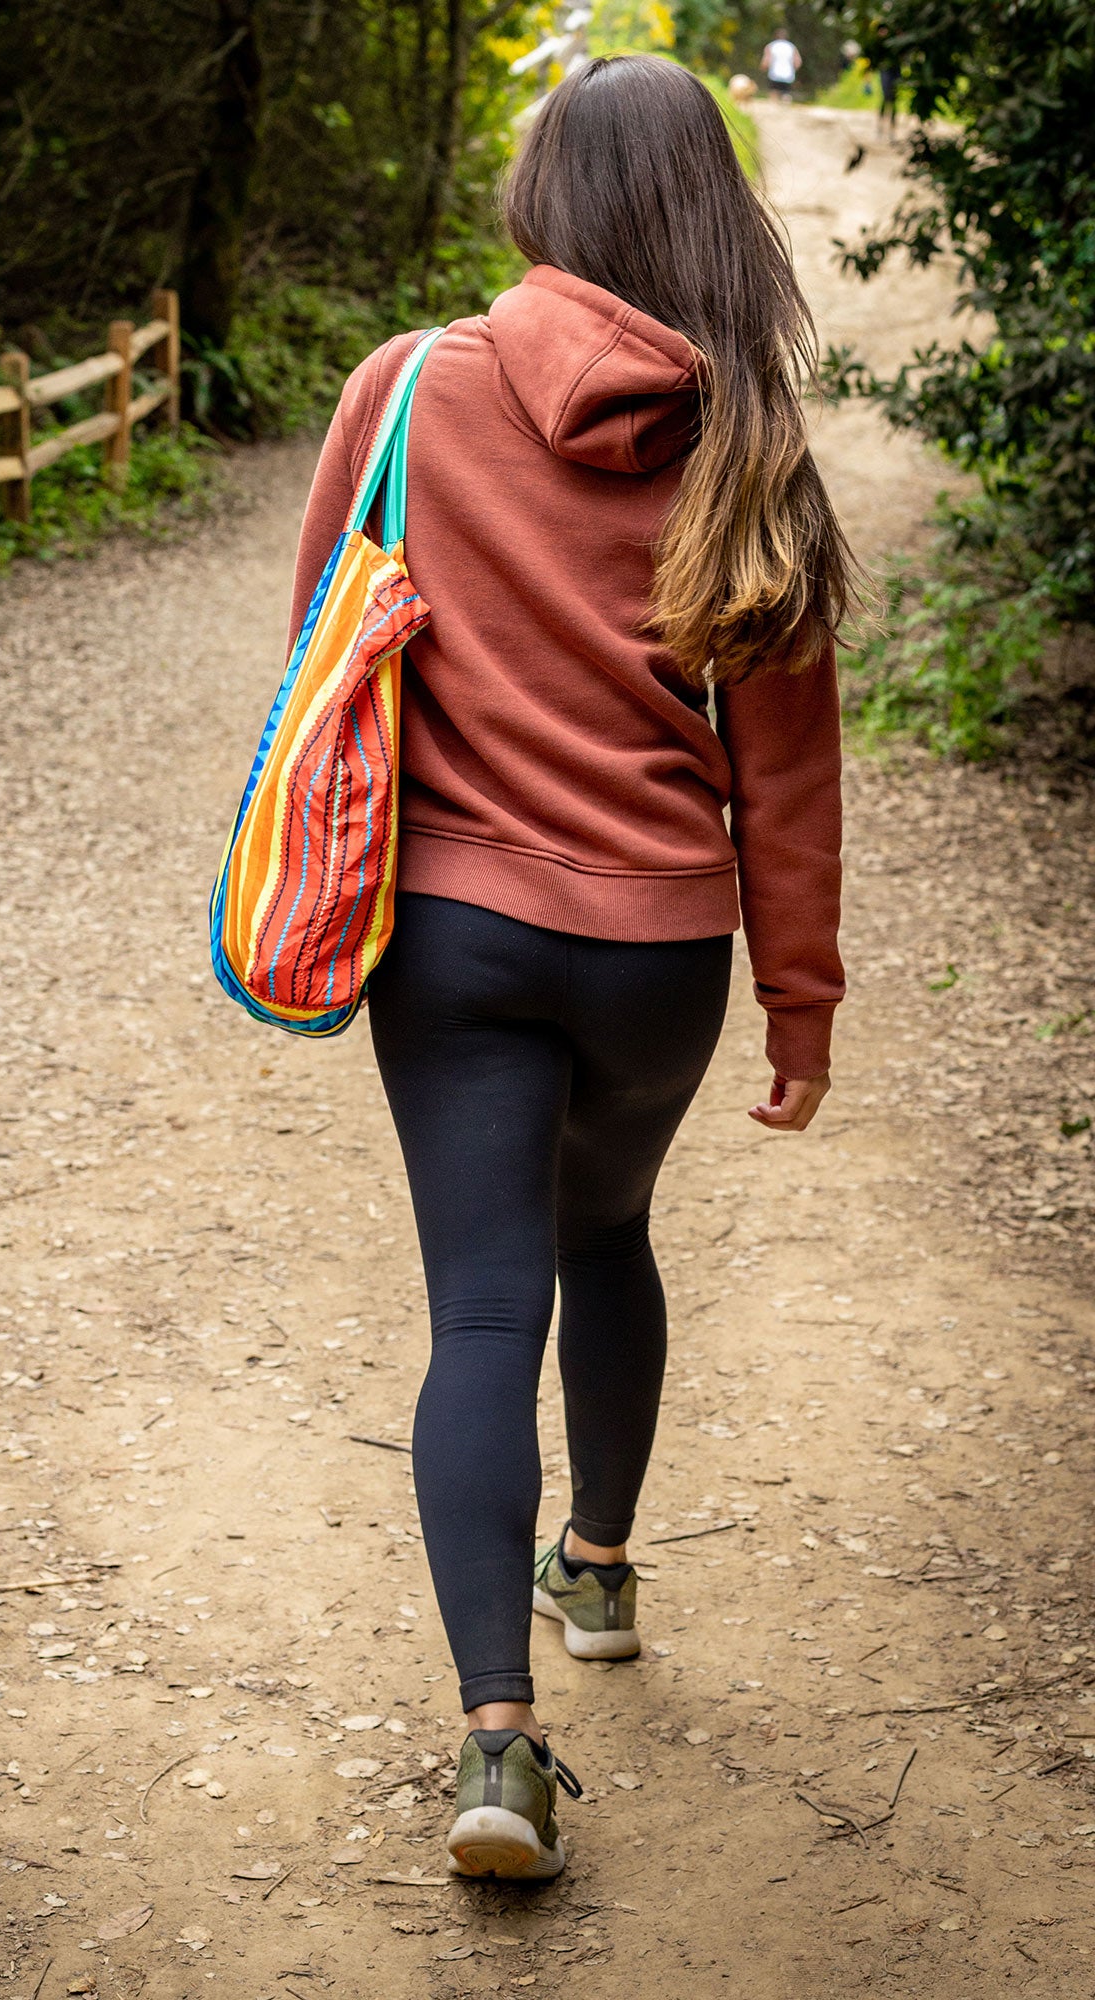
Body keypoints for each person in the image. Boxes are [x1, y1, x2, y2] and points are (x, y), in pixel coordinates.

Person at [284, 54, 852, 1880]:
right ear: (709, 213)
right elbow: (786, 762)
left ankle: (497, 1751)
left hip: (444, 936)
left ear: (543, 196)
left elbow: (323, 647)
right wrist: (801, 1000)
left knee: (477, 1310)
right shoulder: (745, 436)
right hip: (659, 945)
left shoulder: (408, 389)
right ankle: (598, 1569)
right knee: (607, 1234)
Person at [762, 27, 802, 99]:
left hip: (774, 75)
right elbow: (798, 62)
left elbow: (766, 61)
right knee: (786, 95)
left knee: (773, 94)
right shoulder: (792, 47)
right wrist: (794, 71)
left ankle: (773, 108)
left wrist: (763, 68)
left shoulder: (771, 46)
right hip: (787, 76)